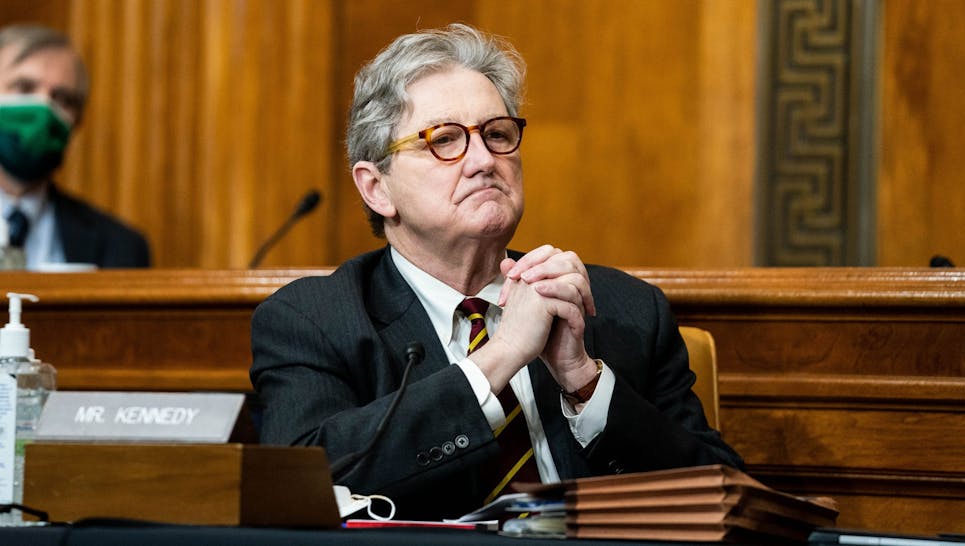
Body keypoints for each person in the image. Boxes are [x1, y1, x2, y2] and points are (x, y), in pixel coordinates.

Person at [251, 23, 743, 521]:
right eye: (444, 140)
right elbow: (304, 484)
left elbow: (724, 500)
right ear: (376, 188)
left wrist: (584, 382)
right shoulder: (313, 321)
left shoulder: (622, 310)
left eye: (498, 134)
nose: (484, 160)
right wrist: (501, 358)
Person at [0, 24, 150, 269]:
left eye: (63, 99)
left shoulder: (120, 247)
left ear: (78, 121)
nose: (44, 107)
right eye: (24, 88)